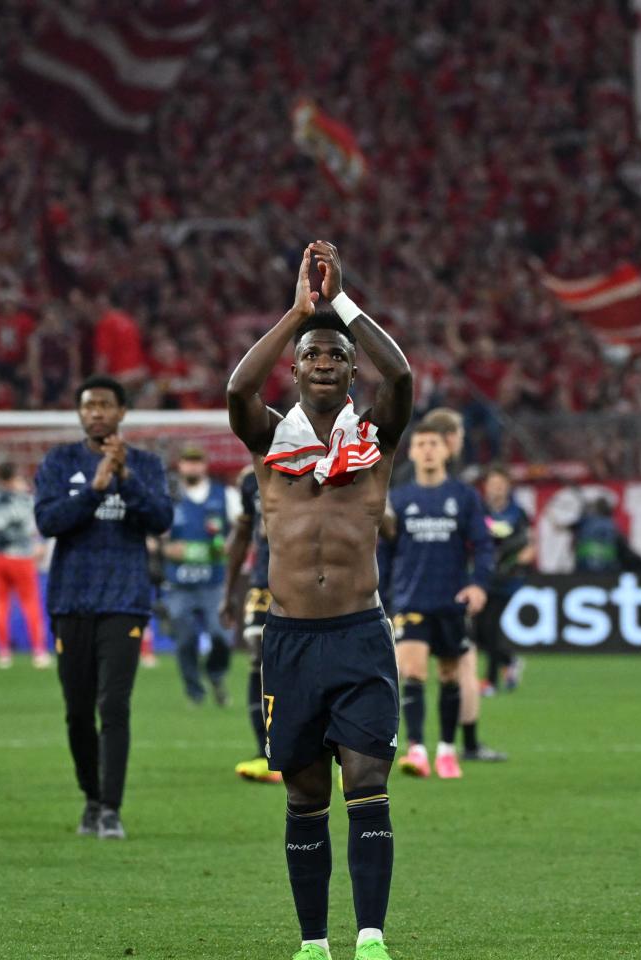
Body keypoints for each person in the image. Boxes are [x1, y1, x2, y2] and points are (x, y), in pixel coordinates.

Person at [227, 241, 412, 960]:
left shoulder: (376, 437)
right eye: (314, 356)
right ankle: (313, 942)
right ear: (297, 370)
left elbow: (401, 373)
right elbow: (237, 391)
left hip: (361, 635)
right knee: (305, 795)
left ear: (350, 369)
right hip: (291, 640)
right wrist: (296, 314)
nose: (326, 363)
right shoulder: (272, 438)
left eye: (337, 355)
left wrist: (342, 305)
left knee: (366, 780)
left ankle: (370, 937)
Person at [33, 374, 173, 841]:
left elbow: (162, 519)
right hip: (71, 601)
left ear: (121, 412)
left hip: (125, 602)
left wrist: (125, 479)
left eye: (105, 405)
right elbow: (48, 521)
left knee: (114, 705)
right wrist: (95, 489)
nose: (96, 412)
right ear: (79, 412)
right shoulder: (59, 462)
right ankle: (91, 798)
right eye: (88, 404)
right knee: (77, 711)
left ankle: (111, 808)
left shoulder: (146, 465)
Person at [382, 426, 495, 779]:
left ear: (446, 451)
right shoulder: (398, 500)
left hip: (450, 600)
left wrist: (478, 585)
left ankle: (446, 750)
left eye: (434, 444)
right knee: (412, 672)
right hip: (410, 599)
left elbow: (484, 545)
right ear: (411, 453)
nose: (427, 450)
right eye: (420, 444)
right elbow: (384, 554)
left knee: (449, 675)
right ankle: (416, 750)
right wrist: (381, 598)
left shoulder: (463, 497)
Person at [417, 407, 503, 762]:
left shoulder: (405, 478)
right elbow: (479, 542)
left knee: (405, 670)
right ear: (451, 439)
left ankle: (407, 745)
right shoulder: (454, 488)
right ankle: (466, 744)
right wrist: (477, 581)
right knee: (462, 664)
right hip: (443, 591)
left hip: (404, 594)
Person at [163, 446, 238, 706]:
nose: (192, 466)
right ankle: (194, 692)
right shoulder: (168, 498)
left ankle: (216, 675)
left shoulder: (224, 495)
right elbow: (154, 536)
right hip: (179, 583)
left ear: (205, 465)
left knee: (221, 636)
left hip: (214, 583)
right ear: (180, 465)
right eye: (187, 461)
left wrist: (229, 545)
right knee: (185, 640)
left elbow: (241, 528)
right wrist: (164, 547)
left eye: (197, 461)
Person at [222, 464, 281, 783]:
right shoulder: (249, 478)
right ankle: (266, 753)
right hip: (263, 582)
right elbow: (243, 535)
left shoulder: (319, 461)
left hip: (307, 581)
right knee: (259, 660)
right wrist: (228, 592)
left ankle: (328, 752)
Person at [0, 463, 52, 669]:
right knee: (30, 604)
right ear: (13, 478)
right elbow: (34, 528)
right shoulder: (26, 500)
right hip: (22, 557)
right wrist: (38, 546)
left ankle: (3, 653)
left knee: (0, 603)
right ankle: (38, 651)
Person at [476, 467, 533, 695]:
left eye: (500, 484)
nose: (496, 489)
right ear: (486, 487)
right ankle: (509, 662)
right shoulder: (479, 510)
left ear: (508, 486)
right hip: (484, 577)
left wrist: (519, 560)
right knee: (480, 632)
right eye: (492, 484)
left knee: (490, 627)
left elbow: (530, 545)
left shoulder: (517, 513)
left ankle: (490, 682)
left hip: (509, 580)